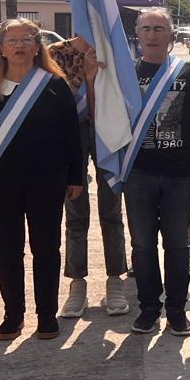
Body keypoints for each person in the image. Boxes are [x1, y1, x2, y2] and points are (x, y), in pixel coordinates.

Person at [0, 19, 83, 340]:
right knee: (6, 250)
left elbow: (72, 136)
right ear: (0, 48)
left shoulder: (54, 85)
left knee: (46, 247)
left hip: (47, 179)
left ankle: (46, 315)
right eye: (12, 40)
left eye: (27, 39)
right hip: (1, 182)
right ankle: (12, 315)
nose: (19, 45)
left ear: (37, 47)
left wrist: (76, 176)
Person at [121, 7, 190, 337]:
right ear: (137, 33)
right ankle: (148, 309)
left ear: (171, 34)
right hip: (138, 174)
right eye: (146, 28)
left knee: (177, 245)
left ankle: (176, 309)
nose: (152, 34)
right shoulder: (126, 72)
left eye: (159, 28)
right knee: (143, 245)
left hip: (179, 175)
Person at [47, 38, 129, 319]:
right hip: (69, 137)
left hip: (107, 133)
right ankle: (77, 283)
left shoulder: (113, 50)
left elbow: (118, 101)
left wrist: (93, 79)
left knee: (112, 210)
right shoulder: (55, 53)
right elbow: (54, 103)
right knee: (75, 212)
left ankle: (115, 279)